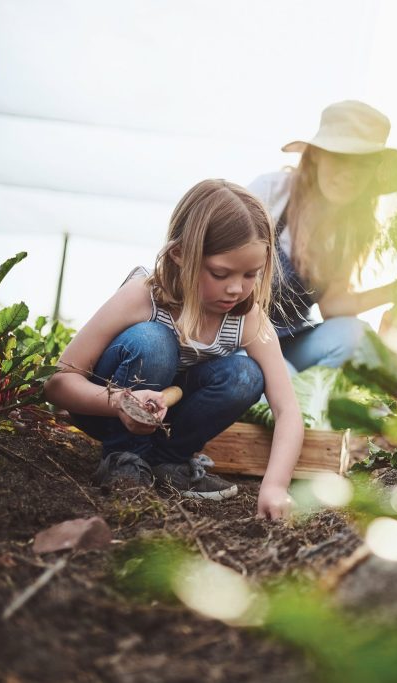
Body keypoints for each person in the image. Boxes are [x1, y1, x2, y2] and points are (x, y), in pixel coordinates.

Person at [45, 179, 304, 520]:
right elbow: (58, 383)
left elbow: (288, 411)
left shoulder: (249, 320)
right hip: (107, 410)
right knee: (154, 341)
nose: (236, 288)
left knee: (245, 375)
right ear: (180, 254)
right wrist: (122, 402)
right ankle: (124, 460)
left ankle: (166, 461)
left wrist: (274, 486)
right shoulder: (143, 296)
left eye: (250, 274)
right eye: (220, 273)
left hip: (166, 419)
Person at [247, 100, 397, 372]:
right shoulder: (270, 194)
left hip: (289, 341)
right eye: (340, 158)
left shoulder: (350, 231)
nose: (349, 174)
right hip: (238, 339)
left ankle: (304, 392)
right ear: (316, 157)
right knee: (284, 382)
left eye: (361, 164)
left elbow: (332, 305)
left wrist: (395, 290)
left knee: (355, 336)